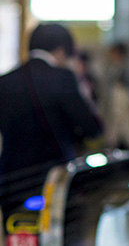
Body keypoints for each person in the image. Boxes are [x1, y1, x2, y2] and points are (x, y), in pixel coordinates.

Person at [0, 24, 102, 220]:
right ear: (61, 50)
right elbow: (93, 128)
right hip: (54, 182)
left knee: (16, 231)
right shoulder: (63, 78)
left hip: (12, 181)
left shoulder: (5, 82)